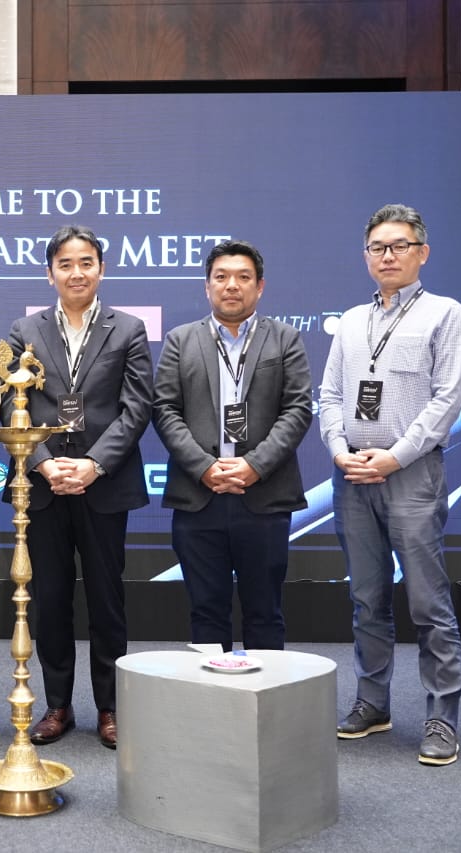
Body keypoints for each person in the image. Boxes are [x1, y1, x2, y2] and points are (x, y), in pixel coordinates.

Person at [318, 203, 461, 766]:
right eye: (378, 247)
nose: (388, 255)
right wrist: (340, 451)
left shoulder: (445, 314)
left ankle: (441, 716)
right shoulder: (352, 321)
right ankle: (372, 703)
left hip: (411, 475)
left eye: (399, 245)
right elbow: (330, 396)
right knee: (367, 599)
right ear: (366, 256)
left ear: (422, 253)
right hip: (353, 476)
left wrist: (395, 457)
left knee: (428, 604)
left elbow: (448, 398)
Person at [4, 225, 153, 750]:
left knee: (107, 599)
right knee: (49, 598)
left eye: (85, 262)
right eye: (65, 264)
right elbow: (9, 402)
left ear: (101, 269)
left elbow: (137, 408)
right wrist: (44, 464)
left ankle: (110, 707)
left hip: (103, 485)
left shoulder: (128, 329)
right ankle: (56, 705)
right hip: (44, 487)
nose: (76, 273)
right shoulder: (23, 330)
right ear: (50, 273)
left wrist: (93, 464)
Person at [152, 239, 312, 653]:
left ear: (260, 286)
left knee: (265, 612)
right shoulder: (180, 340)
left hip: (263, 495)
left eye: (243, 277)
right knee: (206, 612)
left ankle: (268, 694)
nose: (231, 285)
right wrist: (204, 467)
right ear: (207, 286)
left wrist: (254, 465)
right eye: (221, 277)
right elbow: (165, 410)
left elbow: (297, 410)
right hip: (198, 497)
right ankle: (212, 696)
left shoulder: (285, 339)